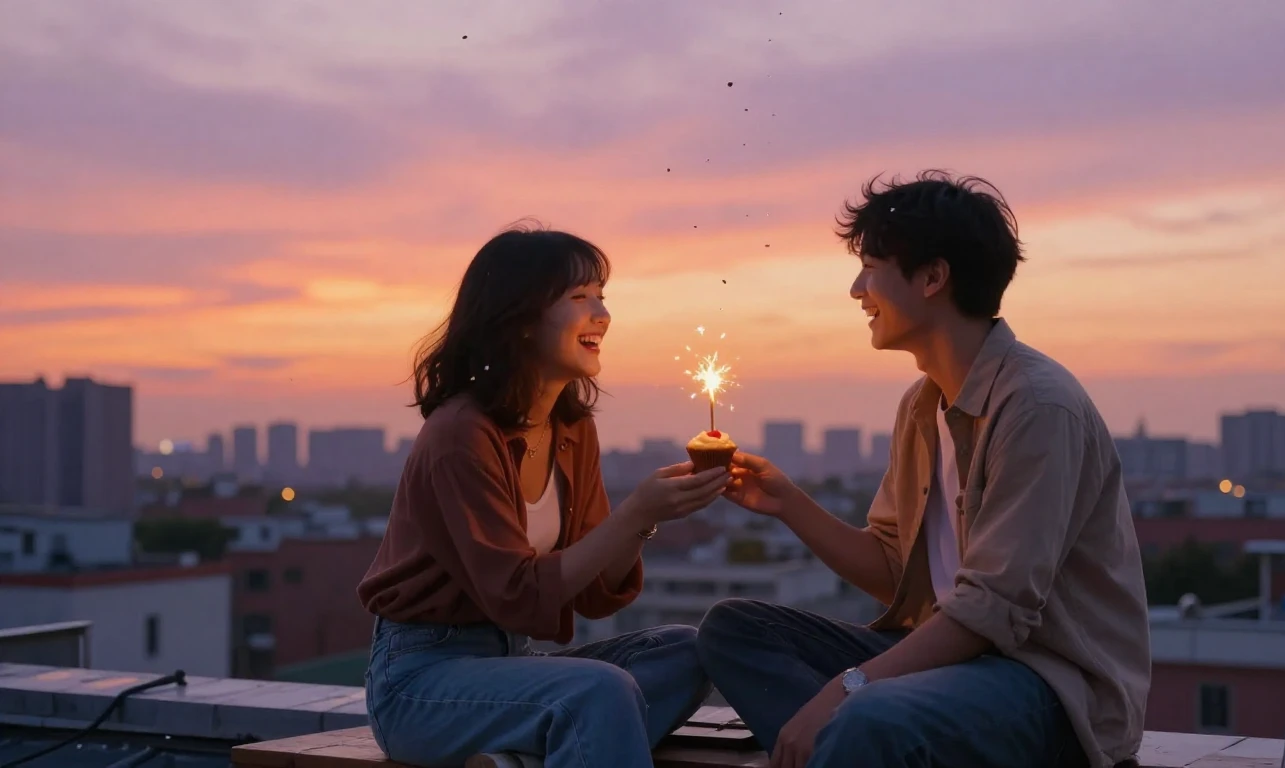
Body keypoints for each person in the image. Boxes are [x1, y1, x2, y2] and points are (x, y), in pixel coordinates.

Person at [697, 171, 1151, 768]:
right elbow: (896, 573)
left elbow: (993, 610)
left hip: (1044, 684)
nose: (858, 289)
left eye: (872, 266)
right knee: (734, 631)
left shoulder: (1037, 407)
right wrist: (787, 503)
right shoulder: (922, 404)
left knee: (866, 713)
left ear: (934, 277)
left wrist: (845, 687)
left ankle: (849, 739)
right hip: (953, 664)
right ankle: (840, 749)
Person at [358, 224, 729, 768]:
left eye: (602, 296)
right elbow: (516, 596)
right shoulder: (461, 435)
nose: (602, 314)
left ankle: (517, 761)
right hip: (421, 683)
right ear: (522, 318)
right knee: (599, 692)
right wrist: (634, 514)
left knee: (692, 649)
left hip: (511, 667)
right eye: (580, 298)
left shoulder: (571, 429)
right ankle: (537, 749)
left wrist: (649, 519)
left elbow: (598, 592)